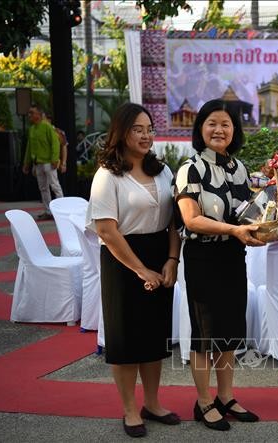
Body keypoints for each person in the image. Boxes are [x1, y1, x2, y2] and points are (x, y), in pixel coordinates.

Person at [85, 103, 181, 438]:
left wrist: (171, 260)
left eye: (149, 128)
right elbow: (107, 231)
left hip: (159, 255)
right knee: (126, 340)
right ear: (122, 132)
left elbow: (173, 221)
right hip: (122, 260)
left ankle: (152, 403)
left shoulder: (163, 170)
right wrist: (141, 270)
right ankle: (129, 409)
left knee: (154, 337)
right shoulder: (107, 175)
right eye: (137, 129)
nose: (146, 135)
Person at [175, 99, 263, 431]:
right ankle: (203, 401)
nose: (219, 129)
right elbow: (191, 220)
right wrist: (234, 230)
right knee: (205, 334)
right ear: (200, 128)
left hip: (232, 257)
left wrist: (261, 228)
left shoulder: (238, 168)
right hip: (203, 258)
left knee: (229, 330)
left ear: (234, 131)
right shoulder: (191, 168)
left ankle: (226, 396)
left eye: (226, 124)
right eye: (212, 123)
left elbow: (245, 213)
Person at [22, 104, 63, 220]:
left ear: (39, 115)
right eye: (29, 113)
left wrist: (55, 159)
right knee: (43, 188)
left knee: (55, 186)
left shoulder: (47, 127)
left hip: (49, 163)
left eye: (32, 113)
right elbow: (29, 147)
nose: (29, 115)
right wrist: (26, 163)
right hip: (38, 163)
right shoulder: (32, 129)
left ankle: (62, 212)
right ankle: (48, 211)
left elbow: (55, 143)